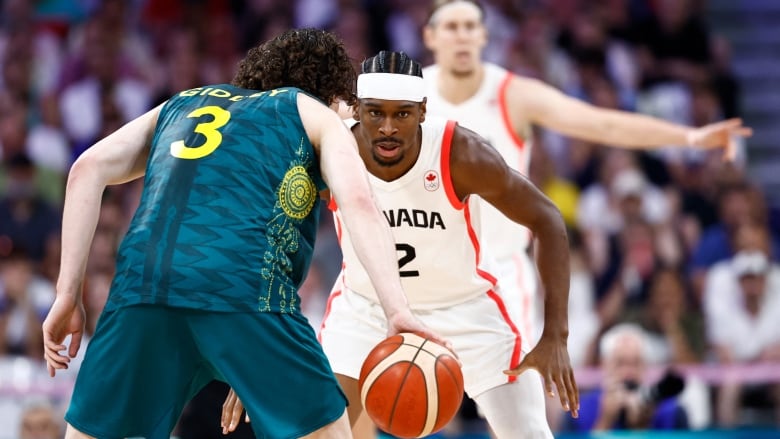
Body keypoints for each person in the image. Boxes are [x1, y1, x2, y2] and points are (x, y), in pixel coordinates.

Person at [41, 29, 444, 439]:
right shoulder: (312, 111)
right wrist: (397, 311)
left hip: (140, 290)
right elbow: (360, 204)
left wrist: (66, 294)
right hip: (247, 292)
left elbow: (85, 170)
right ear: (331, 90)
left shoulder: (184, 102)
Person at [222, 50, 577, 439]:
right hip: (364, 309)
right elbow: (271, 241)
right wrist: (254, 345)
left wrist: (556, 334)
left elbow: (547, 220)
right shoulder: (330, 151)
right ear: (357, 109)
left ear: (423, 111)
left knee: (530, 433)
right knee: (311, 432)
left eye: (402, 114)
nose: (388, 127)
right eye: (375, 113)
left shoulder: (460, 152)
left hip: (465, 311)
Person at [420, 0, 753, 350]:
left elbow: (603, 123)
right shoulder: (411, 95)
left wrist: (688, 136)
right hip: (431, 266)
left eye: (469, 27)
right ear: (430, 36)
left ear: (485, 35)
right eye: (450, 27)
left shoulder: (512, 93)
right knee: (413, 395)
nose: (461, 36)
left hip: (502, 271)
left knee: (528, 400)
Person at [564, 323, 689, 432]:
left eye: (636, 363)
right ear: (604, 365)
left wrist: (642, 427)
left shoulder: (673, 412)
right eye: (620, 363)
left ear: (646, 366)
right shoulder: (577, 412)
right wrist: (605, 421)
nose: (629, 372)